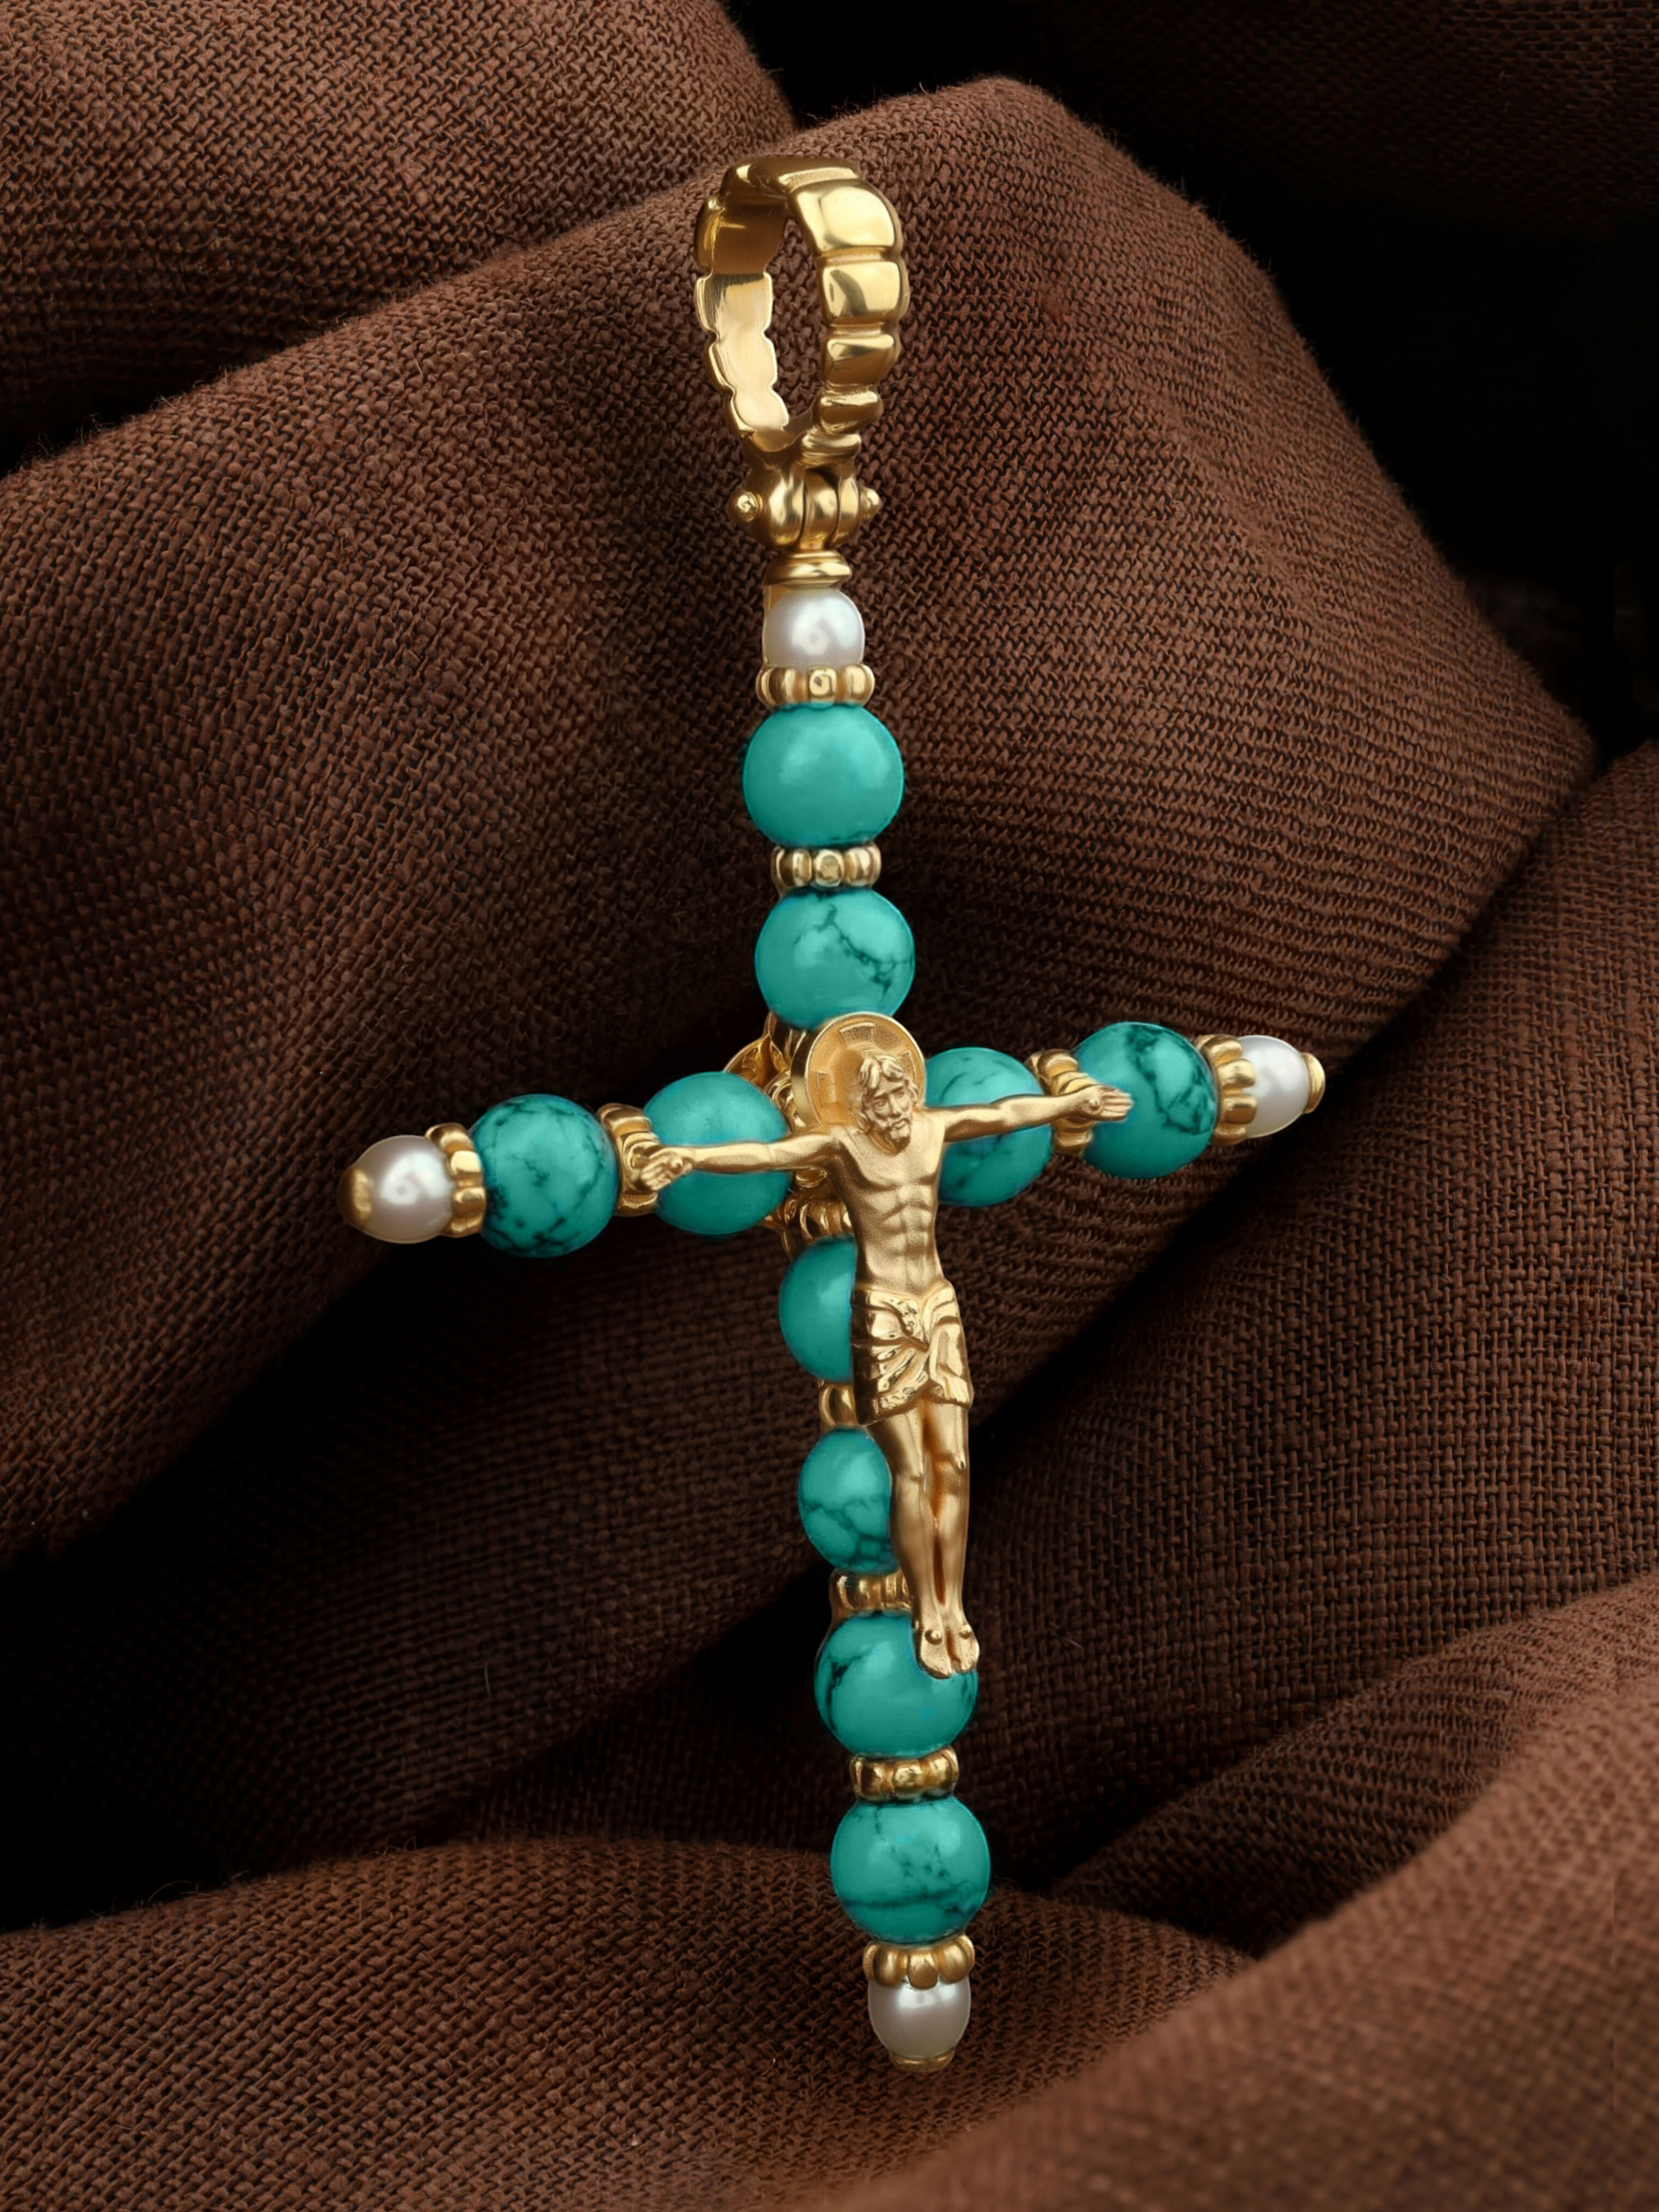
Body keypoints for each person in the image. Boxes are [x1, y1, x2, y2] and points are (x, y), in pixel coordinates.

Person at [642, 1050, 1128, 1675]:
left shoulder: (931, 1127)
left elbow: (1005, 1113)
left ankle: (952, 1605)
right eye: (883, 1101)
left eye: (902, 1095)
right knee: (913, 1472)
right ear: (863, 1109)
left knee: (953, 1465)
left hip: (937, 1310)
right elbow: (766, 1154)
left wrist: (1072, 1103)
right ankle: (927, 1609)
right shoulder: (844, 1147)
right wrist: (690, 1156)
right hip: (885, 1318)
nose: (897, 1109)